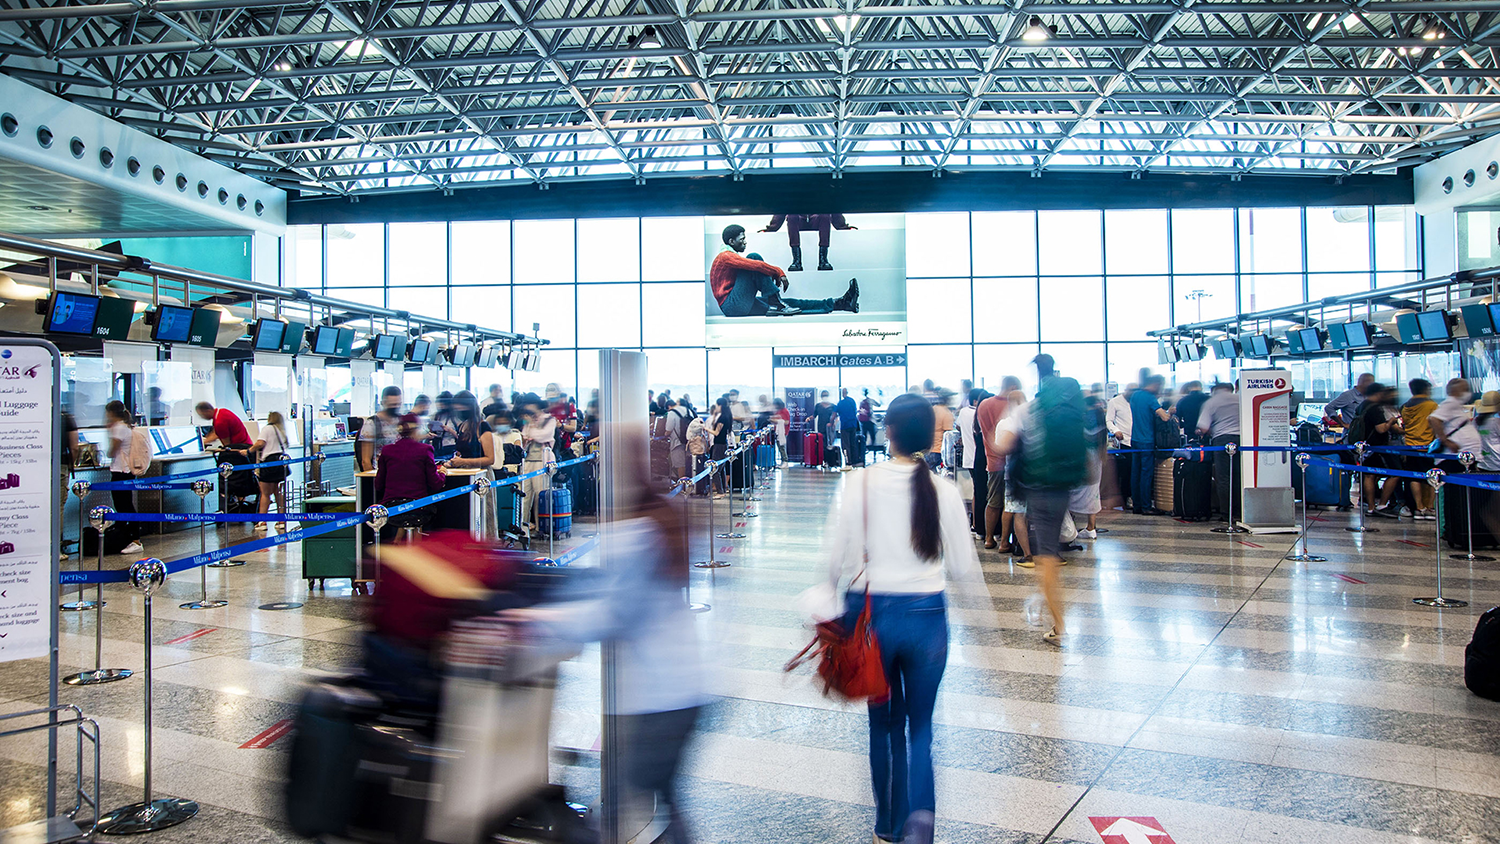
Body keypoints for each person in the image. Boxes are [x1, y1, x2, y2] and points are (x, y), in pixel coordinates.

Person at [822, 394, 980, 844]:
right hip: (928, 617)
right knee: (922, 730)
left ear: (887, 432)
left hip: (873, 618)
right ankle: (920, 830)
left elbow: (838, 559)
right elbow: (965, 569)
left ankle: (887, 829)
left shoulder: (861, 483)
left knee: (884, 725)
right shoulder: (943, 490)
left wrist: (829, 597)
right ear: (929, 437)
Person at [994, 355, 1088, 645]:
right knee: (1051, 546)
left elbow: (1003, 446)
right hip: (1063, 486)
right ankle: (1056, 619)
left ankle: (1059, 625)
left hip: (1038, 488)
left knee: (1045, 556)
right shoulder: (1072, 409)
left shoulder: (1030, 409)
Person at [709, 224, 859, 317]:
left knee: (791, 304)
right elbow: (757, 266)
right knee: (754, 258)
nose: (745, 242)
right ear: (731, 242)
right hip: (732, 305)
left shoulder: (729, 256)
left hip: (739, 304)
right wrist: (778, 271)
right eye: (742, 240)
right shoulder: (725, 257)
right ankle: (776, 302)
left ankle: (840, 304)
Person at [373, 414, 446, 539]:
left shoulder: (387, 450)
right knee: (417, 511)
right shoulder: (425, 449)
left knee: (404, 512)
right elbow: (436, 483)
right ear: (417, 430)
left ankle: (398, 542)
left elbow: (378, 485)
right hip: (419, 508)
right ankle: (415, 551)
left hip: (392, 508)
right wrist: (443, 473)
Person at [976, 376, 1022, 550]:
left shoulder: (984, 405)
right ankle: (1005, 541)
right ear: (1013, 387)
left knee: (993, 501)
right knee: (1010, 504)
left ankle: (988, 539)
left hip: (992, 460)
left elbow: (983, 431)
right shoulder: (1012, 408)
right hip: (1011, 462)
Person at [994, 391, 1032, 564]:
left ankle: (1027, 553)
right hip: (1035, 473)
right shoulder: (1034, 419)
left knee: (1017, 513)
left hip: (1014, 473)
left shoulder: (1005, 423)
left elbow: (1000, 447)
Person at [104, 401, 145, 556]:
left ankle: (135, 539)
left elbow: (112, 451)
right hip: (126, 471)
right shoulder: (125, 427)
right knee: (124, 505)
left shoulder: (119, 428)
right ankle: (125, 537)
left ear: (111, 412)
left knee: (124, 506)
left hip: (121, 470)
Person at [1357, 383, 1404, 518]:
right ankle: (1382, 504)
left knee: (1369, 475)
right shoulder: (1376, 408)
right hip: (1378, 446)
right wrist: (1391, 422)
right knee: (1395, 473)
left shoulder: (1362, 406)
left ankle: (1371, 507)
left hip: (1365, 446)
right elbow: (1381, 429)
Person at [1197, 383, 1241, 524]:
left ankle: (1227, 514)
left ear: (1215, 390)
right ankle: (1241, 511)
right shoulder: (1240, 399)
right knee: (1240, 476)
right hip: (1243, 440)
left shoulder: (1212, 402)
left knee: (1224, 478)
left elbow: (1203, 428)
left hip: (1222, 440)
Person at [1128, 376, 1170, 515]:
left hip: (1135, 439)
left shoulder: (1135, 395)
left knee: (1135, 473)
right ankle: (1146, 506)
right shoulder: (1150, 398)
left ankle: (1137, 505)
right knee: (1146, 474)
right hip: (1147, 440)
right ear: (1155, 384)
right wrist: (1170, 412)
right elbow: (1164, 417)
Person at [759, 213, 857, 271]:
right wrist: (771, 228)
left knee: (825, 215)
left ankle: (823, 260)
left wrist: (842, 226)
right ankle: (796, 261)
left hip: (816, 219)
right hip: (799, 220)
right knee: (791, 216)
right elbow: (783, 206)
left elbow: (831, 204)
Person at [1400, 378, 1439, 521]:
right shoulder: (1431, 405)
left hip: (1410, 446)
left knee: (1414, 478)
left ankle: (1419, 508)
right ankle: (1429, 508)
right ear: (1425, 389)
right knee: (1429, 478)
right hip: (1426, 446)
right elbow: (1436, 424)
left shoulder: (1406, 406)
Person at [518, 394, 557, 533]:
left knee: (541, 495)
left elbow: (543, 436)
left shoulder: (549, 420)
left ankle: (543, 528)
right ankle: (523, 527)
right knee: (525, 495)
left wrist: (532, 431)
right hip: (527, 461)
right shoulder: (527, 421)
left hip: (542, 461)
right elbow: (524, 437)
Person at [251, 411, 291, 533]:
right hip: (280, 463)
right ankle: (281, 520)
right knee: (278, 492)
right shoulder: (281, 430)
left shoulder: (267, 428)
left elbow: (260, 443)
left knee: (265, 493)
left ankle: (262, 521)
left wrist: (249, 450)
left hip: (268, 463)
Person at [1430, 378, 1482, 460]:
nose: (1467, 393)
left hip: (1463, 455)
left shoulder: (1456, 405)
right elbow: (1433, 419)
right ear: (1454, 391)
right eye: (1464, 389)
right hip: (1455, 455)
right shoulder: (1451, 402)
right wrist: (1446, 441)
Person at [443, 390, 495, 469]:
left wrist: (463, 461)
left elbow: (490, 459)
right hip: (464, 472)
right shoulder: (462, 426)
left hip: (480, 474)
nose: (458, 411)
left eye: (460, 407)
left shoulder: (482, 426)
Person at [956, 389, 985, 535]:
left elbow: (958, 426)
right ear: (976, 401)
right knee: (982, 492)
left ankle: (974, 523)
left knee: (976, 491)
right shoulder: (978, 412)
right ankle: (979, 524)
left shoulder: (963, 412)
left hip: (968, 457)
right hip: (980, 457)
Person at [359, 386, 404, 470]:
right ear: (383, 403)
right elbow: (365, 460)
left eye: (398, 404)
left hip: (401, 471)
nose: (395, 407)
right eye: (392, 405)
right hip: (381, 471)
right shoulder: (372, 424)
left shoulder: (403, 421)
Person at [709, 396, 734, 496]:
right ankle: (723, 488)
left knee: (715, 469)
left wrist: (705, 429)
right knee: (721, 468)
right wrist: (715, 415)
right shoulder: (726, 416)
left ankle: (720, 491)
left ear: (720, 405)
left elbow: (716, 432)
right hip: (723, 444)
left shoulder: (723, 418)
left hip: (719, 445)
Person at [665, 398, 693, 480]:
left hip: (677, 442)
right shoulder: (689, 410)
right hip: (689, 441)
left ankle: (682, 486)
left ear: (669, 407)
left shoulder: (671, 413)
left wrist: (665, 434)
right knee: (689, 464)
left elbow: (668, 429)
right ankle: (690, 484)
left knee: (680, 464)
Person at [927, 397, 954, 472]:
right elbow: (948, 434)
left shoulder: (932, 409)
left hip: (928, 448)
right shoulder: (946, 413)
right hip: (938, 450)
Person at [837, 388, 860, 466]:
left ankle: (848, 461)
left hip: (845, 426)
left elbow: (835, 413)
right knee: (853, 443)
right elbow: (855, 411)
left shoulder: (840, 403)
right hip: (853, 425)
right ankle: (854, 460)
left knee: (845, 444)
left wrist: (831, 422)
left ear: (842, 393)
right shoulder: (852, 401)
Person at [772, 398, 791, 465]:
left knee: (782, 447)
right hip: (777, 431)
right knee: (779, 447)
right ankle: (783, 461)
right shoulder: (778, 411)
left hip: (783, 431)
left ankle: (785, 461)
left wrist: (776, 421)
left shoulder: (784, 411)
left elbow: (786, 422)